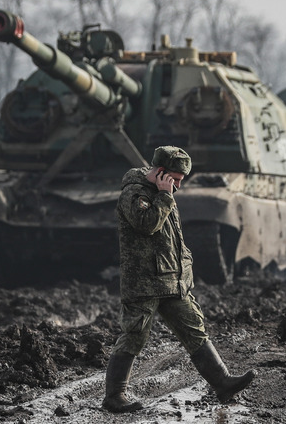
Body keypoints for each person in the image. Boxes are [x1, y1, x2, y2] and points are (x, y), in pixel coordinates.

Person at [102, 145, 256, 413]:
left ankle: (222, 382)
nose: (179, 186)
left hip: (171, 280)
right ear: (161, 173)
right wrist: (163, 196)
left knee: (193, 328)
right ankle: (114, 395)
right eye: (176, 179)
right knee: (135, 335)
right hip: (145, 282)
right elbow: (146, 224)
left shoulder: (164, 193)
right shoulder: (134, 194)